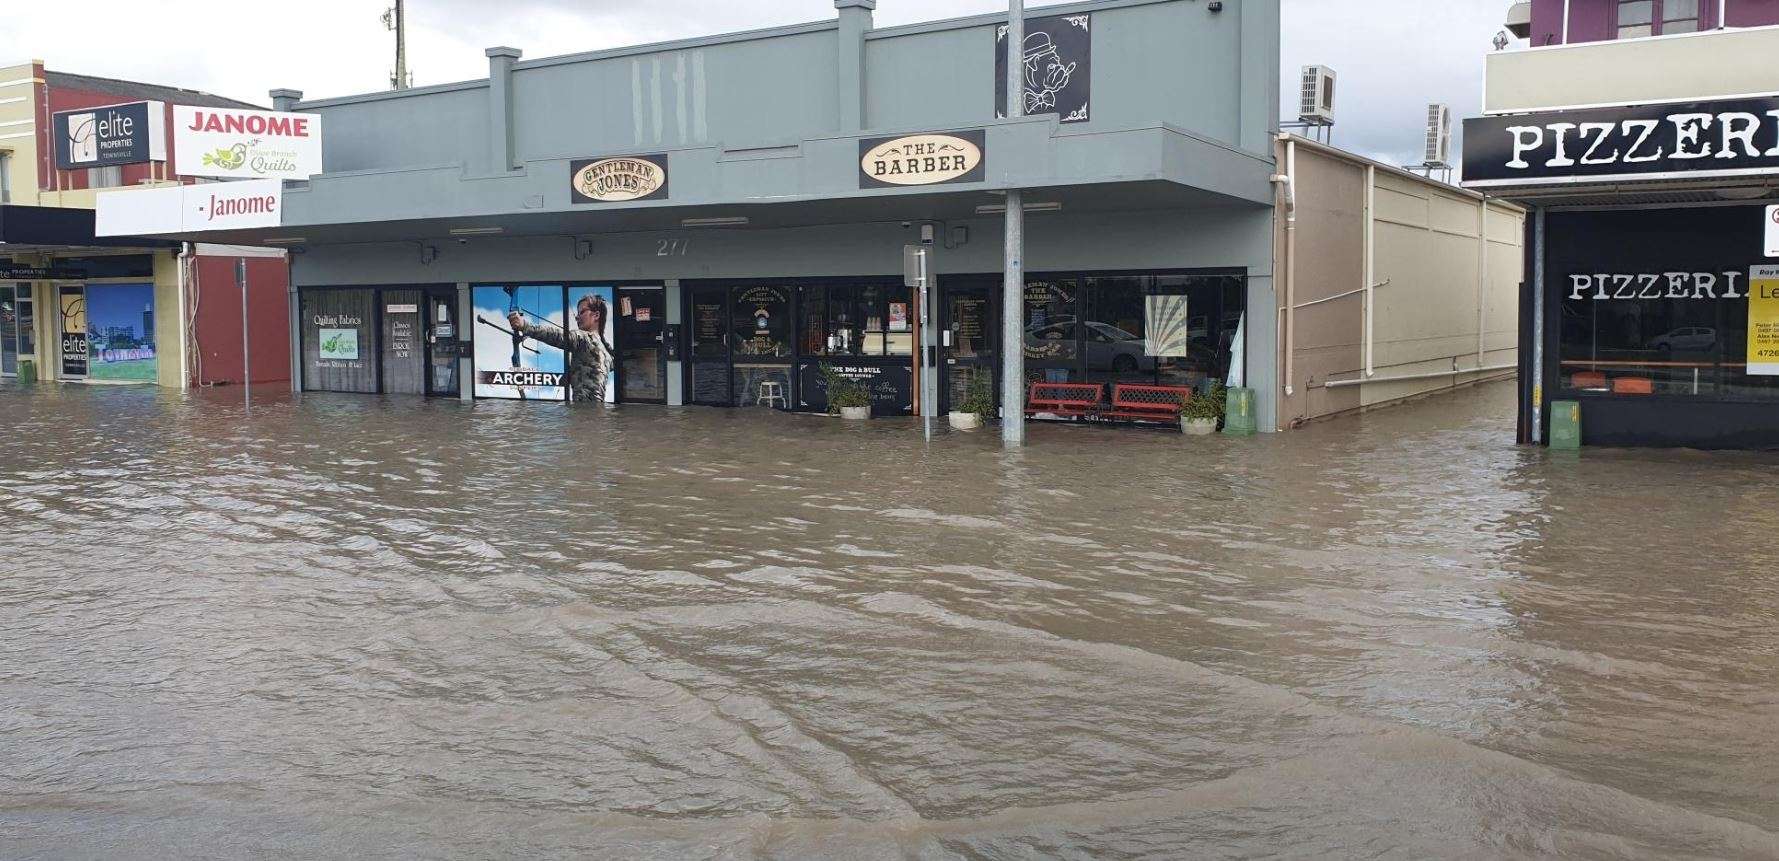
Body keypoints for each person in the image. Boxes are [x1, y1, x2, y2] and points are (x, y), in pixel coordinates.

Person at [509, 294, 612, 404]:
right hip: (597, 410)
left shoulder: (586, 338)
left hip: (583, 412)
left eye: (582, 312)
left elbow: (558, 336)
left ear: (596, 315)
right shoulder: (606, 353)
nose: (577, 317)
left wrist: (525, 326)